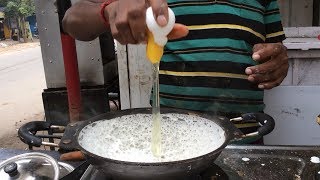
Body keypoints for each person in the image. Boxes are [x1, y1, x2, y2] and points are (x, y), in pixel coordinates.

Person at [62, 0, 288, 143]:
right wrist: (108, 9)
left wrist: (278, 60)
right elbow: (72, 20)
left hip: (244, 133)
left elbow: (275, 49)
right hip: (170, 138)